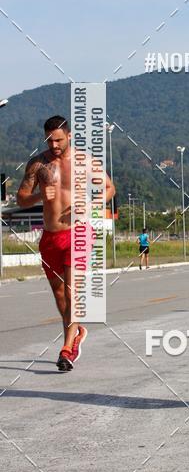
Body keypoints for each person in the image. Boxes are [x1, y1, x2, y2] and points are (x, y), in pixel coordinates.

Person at [16, 115, 115, 372]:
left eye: (58, 140)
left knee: (72, 293)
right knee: (60, 297)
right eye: (49, 140)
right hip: (50, 238)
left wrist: (92, 204)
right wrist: (39, 195)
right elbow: (21, 199)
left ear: (69, 136)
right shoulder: (38, 164)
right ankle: (77, 333)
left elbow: (109, 188)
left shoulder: (83, 161)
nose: (54, 145)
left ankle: (66, 348)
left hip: (78, 233)